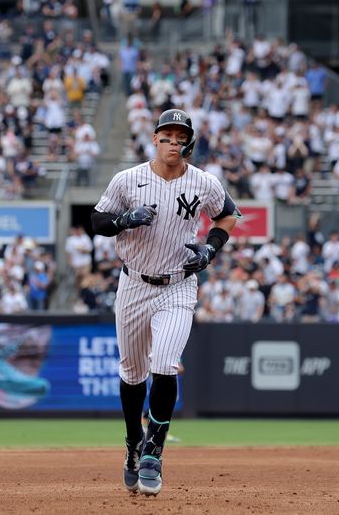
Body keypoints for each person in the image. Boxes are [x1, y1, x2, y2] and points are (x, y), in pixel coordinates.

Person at [91, 108, 239, 496]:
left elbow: (228, 216)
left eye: (180, 136)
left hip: (178, 284)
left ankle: (154, 450)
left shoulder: (204, 182)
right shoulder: (129, 179)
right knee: (131, 372)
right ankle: (132, 444)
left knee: (165, 363)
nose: (173, 142)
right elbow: (97, 221)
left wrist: (209, 249)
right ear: (155, 139)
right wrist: (124, 220)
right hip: (134, 284)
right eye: (166, 135)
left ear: (188, 142)